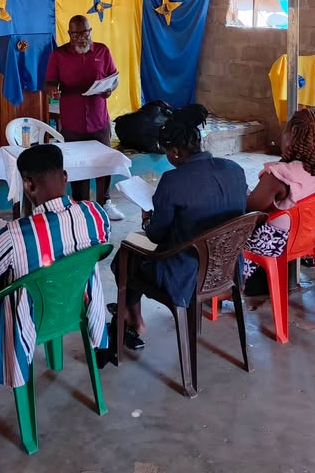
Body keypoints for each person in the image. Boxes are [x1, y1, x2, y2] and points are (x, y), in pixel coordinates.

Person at [0, 144, 110, 386]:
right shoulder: (95, 214)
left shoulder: (14, 235)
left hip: (30, 318)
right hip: (73, 304)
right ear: (64, 177)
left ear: (28, 185)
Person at [105, 105, 247, 356]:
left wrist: (148, 218)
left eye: (166, 152)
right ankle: (128, 314)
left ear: (175, 152)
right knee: (134, 255)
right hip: (228, 268)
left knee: (125, 257)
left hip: (184, 276)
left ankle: (133, 319)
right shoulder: (234, 170)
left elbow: (157, 236)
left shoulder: (174, 182)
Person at [244, 110, 315, 287]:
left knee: (221, 229)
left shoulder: (282, 174)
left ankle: (226, 285)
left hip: (274, 244)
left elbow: (250, 208)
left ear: (292, 137)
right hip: (308, 234)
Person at [45, 14, 125, 221]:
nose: (82, 37)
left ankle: (105, 202)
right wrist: (52, 91)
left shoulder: (102, 51)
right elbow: (49, 83)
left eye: (86, 32)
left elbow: (113, 78)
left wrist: (109, 89)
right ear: (69, 34)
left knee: (103, 162)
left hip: (99, 119)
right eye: (76, 34)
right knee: (77, 165)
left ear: (90, 31)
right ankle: (80, 206)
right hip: (72, 121)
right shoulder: (58, 55)